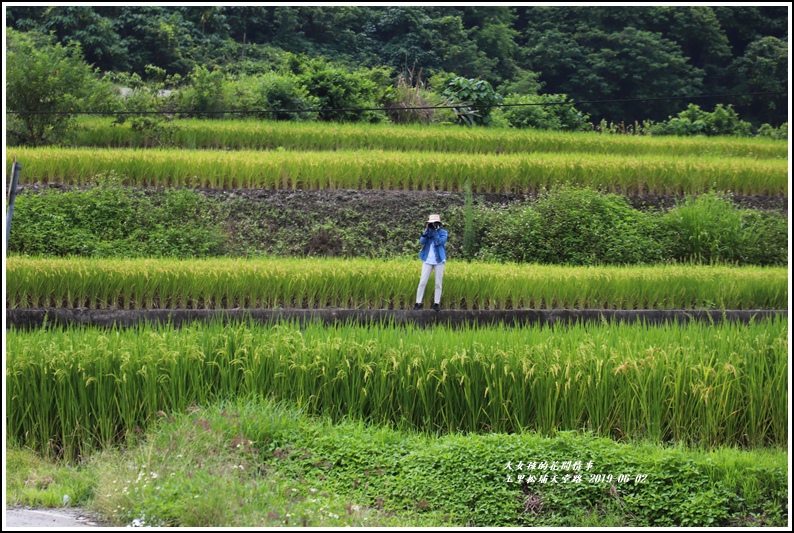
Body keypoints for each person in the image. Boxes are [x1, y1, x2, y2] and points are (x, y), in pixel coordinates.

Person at [414, 214, 448, 311]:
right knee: (422, 282)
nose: (432, 225)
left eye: (434, 223)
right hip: (427, 260)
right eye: (430, 223)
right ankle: (418, 303)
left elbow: (440, 242)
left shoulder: (443, 232)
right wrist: (426, 231)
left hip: (439, 260)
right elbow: (421, 241)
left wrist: (434, 232)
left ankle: (436, 303)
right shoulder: (428, 231)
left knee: (438, 283)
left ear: (438, 223)